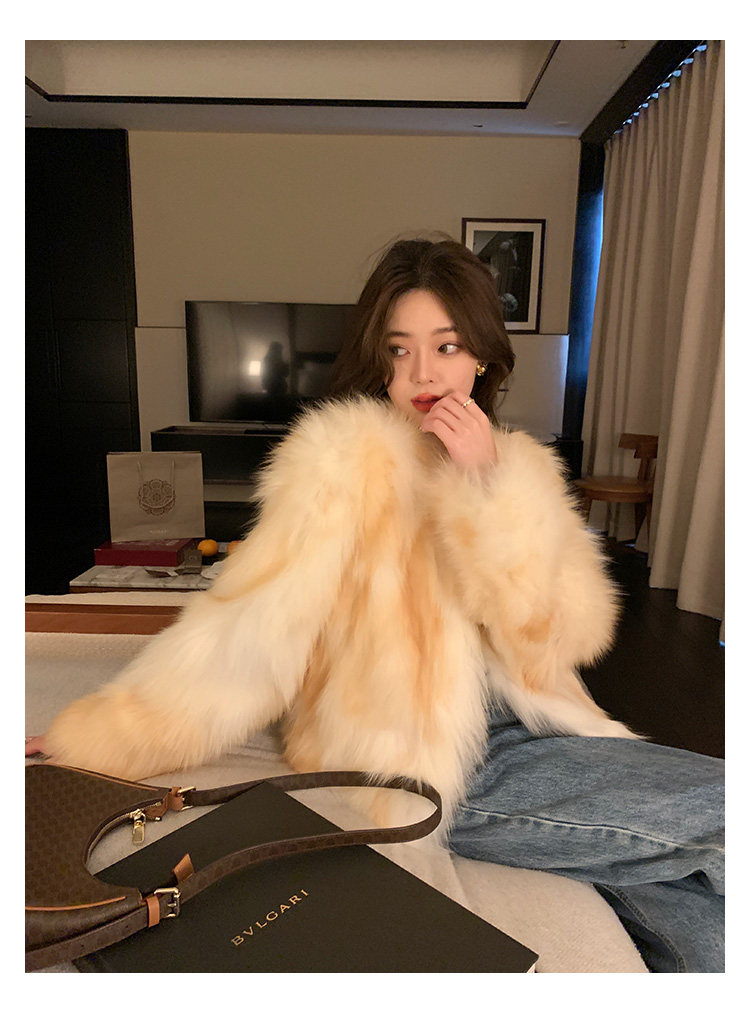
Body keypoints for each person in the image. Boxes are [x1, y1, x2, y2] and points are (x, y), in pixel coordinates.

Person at [26, 237, 723, 972]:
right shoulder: (340, 461)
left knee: (707, 925)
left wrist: (489, 491)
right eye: (399, 349)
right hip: (424, 757)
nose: (423, 373)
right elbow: (248, 630)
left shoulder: (520, 465)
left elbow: (569, 637)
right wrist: (98, 738)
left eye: (447, 346)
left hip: (547, 726)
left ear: (482, 357)